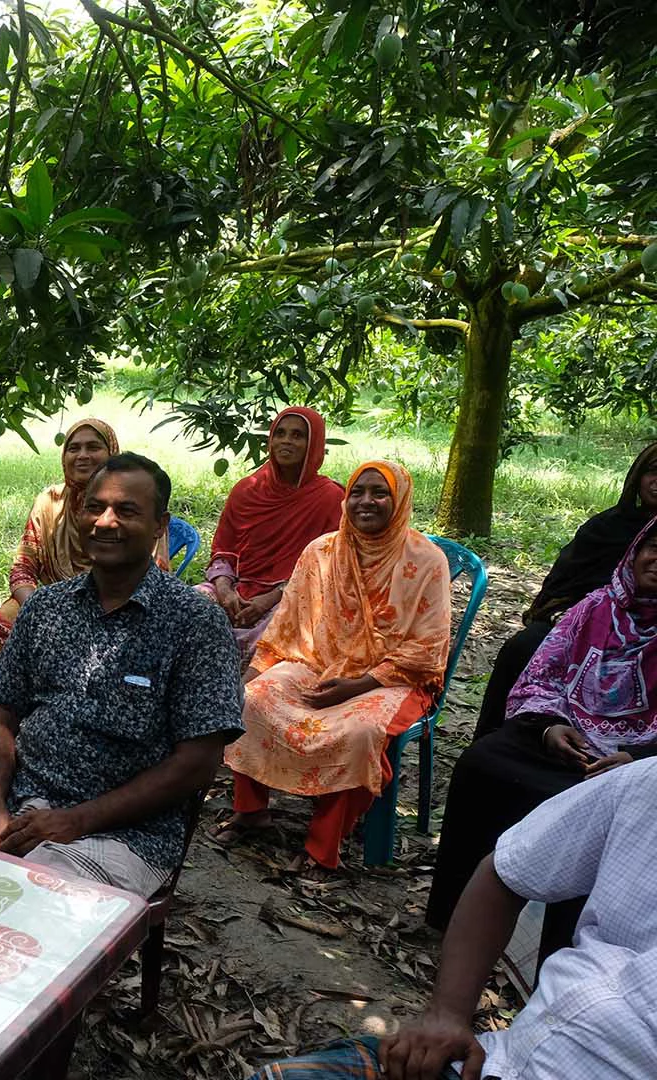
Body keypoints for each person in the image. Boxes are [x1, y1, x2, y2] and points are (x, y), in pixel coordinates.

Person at [0, 453, 244, 899]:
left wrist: (76, 820)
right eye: (94, 507)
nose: (105, 522)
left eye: (126, 510)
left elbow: (197, 763)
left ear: (159, 524)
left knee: (31, 898)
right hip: (13, 794)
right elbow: (0, 714)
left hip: (124, 831)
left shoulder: (196, 623)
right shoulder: (46, 608)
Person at [248, 758, 657, 1080]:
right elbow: (505, 873)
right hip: (499, 1062)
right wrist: (447, 1014)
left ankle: (324, 844)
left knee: (359, 735)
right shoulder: (645, 784)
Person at [426, 519, 657, 946]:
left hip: (633, 761)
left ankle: (557, 950)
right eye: (653, 547)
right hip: (561, 732)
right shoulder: (595, 608)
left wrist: (635, 760)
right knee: (483, 763)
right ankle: (453, 919)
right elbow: (543, 675)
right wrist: (550, 726)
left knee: (602, 809)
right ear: (636, 549)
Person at [217, 461, 450, 873]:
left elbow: (427, 647)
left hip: (395, 677)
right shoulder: (322, 551)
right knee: (252, 699)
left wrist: (358, 684)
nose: (366, 501)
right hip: (317, 662)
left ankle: (322, 846)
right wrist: (249, 677)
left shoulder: (427, 560)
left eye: (380, 493)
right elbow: (290, 625)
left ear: (399, 500)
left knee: (361, 731)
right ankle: (251, 811)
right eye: (357, 492)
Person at [0, 417, 168, 778]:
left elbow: (156, 571)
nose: (82, 455)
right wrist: (44, 606)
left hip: (116, 602)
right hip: (47, 596)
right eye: (73, 447)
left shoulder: (141, 509)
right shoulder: (50, 502)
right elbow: (22, 568)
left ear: (111, 452)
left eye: (93, 447)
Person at [472, 441, 657, 740]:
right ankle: (498, 736)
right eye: (653, 472)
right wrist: (571, 615)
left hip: (649, 636)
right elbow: (563, 582)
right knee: (523, 646)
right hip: (585, 622)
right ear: (637, 477)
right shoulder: (605, 528)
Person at [200, 408, 345, 655]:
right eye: (280, 433)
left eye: (298, 435)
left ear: (315, 445)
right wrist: (224, 591)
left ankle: (247, 688)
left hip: (292, 597)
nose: (286, 441)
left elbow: (328, 570)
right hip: (235, 590)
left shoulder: (331, 498)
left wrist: (270, 599)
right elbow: (223, 552)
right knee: (190, 604)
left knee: (279, 628)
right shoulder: (247, 490)